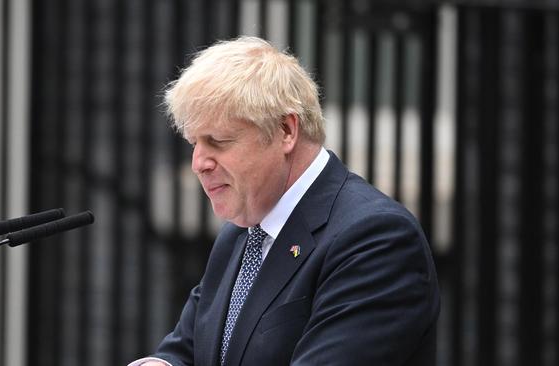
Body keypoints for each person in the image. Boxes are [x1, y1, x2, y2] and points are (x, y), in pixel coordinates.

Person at [129, 36, 439, 366]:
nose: (198, 162)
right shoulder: (242, 231)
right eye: (194, 143)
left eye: (217, 141)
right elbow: (187, 352)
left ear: (286, 131)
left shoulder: (375, 239)